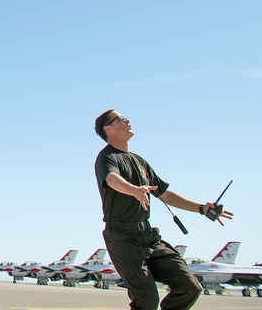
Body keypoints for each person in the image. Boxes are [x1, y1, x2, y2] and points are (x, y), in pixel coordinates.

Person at [94, 110, 234, 310]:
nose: (128, 120)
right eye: (122, 119)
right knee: (147, 300)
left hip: (149, 236)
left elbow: (165, 195)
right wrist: (133, 189)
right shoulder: (107, 157)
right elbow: (111, 179)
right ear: (108, 128)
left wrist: (202, 209)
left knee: (189, 287)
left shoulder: (140, 162)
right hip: (122, 238)